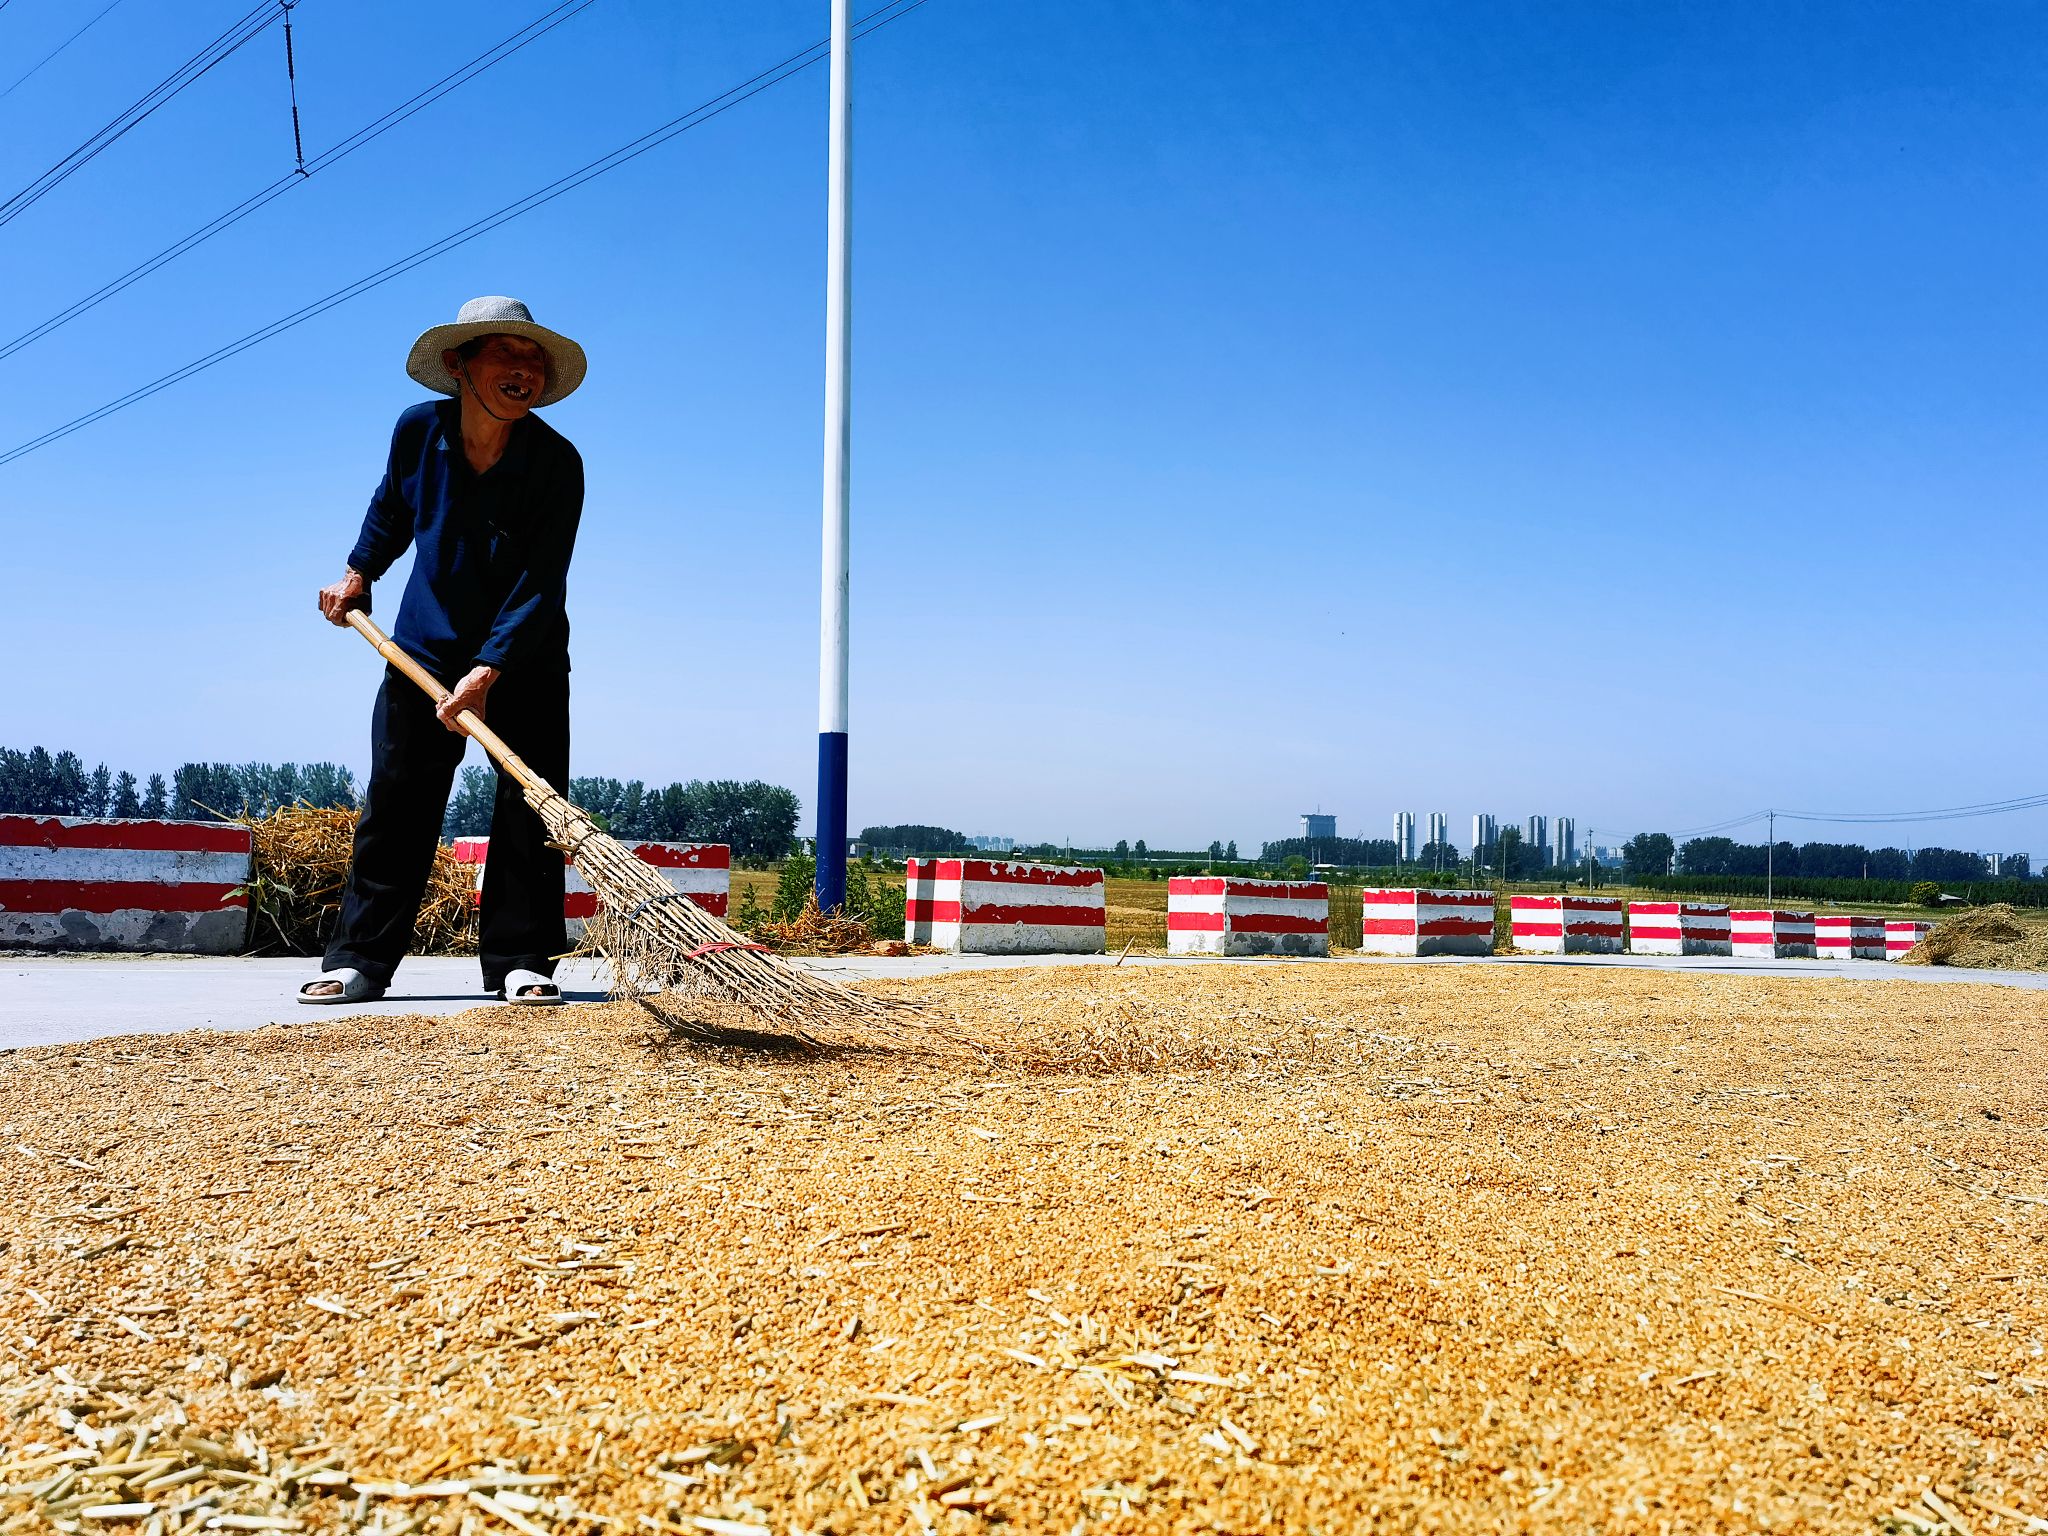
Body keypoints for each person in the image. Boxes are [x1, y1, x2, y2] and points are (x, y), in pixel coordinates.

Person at [300, 296, 587, 1006]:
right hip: (422, 651)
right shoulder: (418, 431)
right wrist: (359, 572)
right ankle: (359, 959)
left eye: (534, 359)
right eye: (507, 354)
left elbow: (540, 581)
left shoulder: (557, 463)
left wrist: (489, 670)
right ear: (459, 365)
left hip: (523, 659)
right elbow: (392, 508)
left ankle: (522, 960)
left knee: (529, 807)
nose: (525, 370)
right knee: (397, 802)